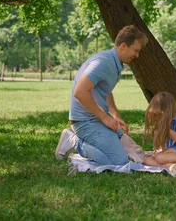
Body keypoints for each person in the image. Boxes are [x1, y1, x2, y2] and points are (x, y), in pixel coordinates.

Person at [55, 25, 147, 165]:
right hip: (85, 122)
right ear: (123, 46)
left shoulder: (113, 63)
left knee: (136, 154)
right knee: (119, 161)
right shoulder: (103, 62)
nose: (137, 55)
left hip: (95, 120)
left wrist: (115, 116)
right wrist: (104, 117)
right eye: (135, 50)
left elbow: (106, 90)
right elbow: (79, 92)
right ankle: (74, 141)